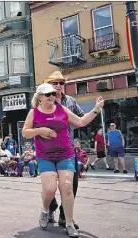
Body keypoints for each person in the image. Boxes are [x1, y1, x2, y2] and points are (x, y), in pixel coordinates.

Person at [22, 83, 103, 237]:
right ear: (39, 97)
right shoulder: (34, 113)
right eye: (48, 94)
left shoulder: (61, 109)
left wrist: (96, 109)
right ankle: (45, 210)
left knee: (66, 187)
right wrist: (40, 130)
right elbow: (25, 132)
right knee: (50, 189)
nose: (52, 96)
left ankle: (69, 222)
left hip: (66, 153)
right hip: (45, 155)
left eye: (53, 94)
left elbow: (80, 122)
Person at [44, 71, 85, 229]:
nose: (59, 86)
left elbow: (81, 119)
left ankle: (64, 215)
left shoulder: (71, 101)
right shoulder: (44, 102)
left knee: (71, 184)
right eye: (55, 83)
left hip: (67, 149)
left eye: (61, 83)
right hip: (48, 150)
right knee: (50, 186)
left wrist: (95, 109)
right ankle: (51, 206)